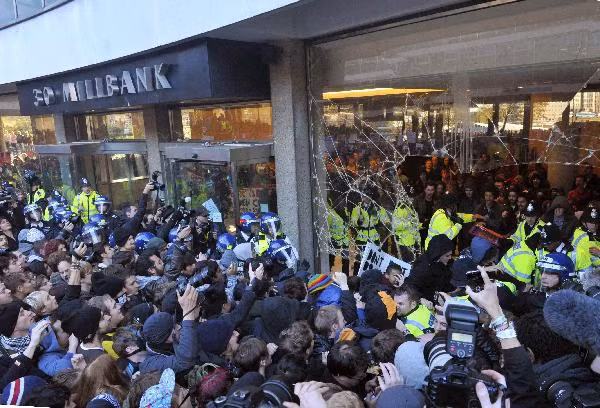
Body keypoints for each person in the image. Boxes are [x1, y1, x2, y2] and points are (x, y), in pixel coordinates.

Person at [405, 234, 455, 301]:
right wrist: (421, 300)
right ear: (438, 255)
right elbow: (410, 288)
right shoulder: (422, 268)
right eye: (447, 256)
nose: (450, 258)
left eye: (451, 255)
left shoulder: (444, 263)